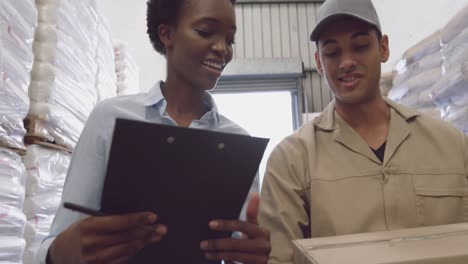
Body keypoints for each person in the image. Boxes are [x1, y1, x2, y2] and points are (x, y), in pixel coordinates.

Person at [38, 0, 271, 263]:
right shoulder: (110, 119)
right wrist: (57, 254)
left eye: (230, 40)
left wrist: (253, 257)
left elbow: (238, 250)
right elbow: (57, 241)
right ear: (167, 34)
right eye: (206, 32)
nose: (222, 49)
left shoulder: (238, 143)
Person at [258, 0, 468, 262]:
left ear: (383, 48)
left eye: (360, 46)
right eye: (333, 53)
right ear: (319, 63)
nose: (347, 62)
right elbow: (279, 257)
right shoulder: (291, 161)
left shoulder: (451, 145)